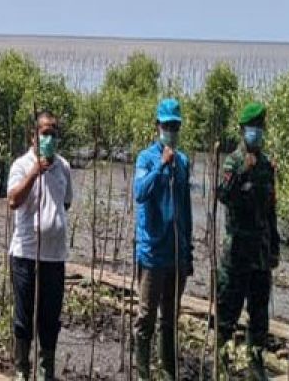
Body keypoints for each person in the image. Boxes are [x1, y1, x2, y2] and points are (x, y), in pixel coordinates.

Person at [216, 101, 280, 381]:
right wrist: (242, 170)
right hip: (237, 254)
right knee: (227, 311)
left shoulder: (267, 166)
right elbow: (223, 195)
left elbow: (271, 212)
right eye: (252, 128)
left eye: (260, 128)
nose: (257, 132)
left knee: (259, 314)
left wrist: (275, 248)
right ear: (243, 131)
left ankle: (256, 364)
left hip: (261, 255)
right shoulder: (233, 161)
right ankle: (222, 362)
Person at [6, 111, 72, 381]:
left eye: (53, 133)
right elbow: (13, 200)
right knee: (24, 319)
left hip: (55, 257)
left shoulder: (64, 167)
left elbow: (65, 202)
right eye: (44, 133)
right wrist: (35, 172)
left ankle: (46, 372)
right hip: (26, 255)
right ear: (33, 136)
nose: (49, 138)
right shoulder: (21, 165)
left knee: (50, 320)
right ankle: (21, 371)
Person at [132, 98, 193, 381]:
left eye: (175, 126)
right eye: (167, 125)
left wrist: (188, 253)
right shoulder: (146, 159)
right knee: (146, 317)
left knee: (169, 319)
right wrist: (160, 166)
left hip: (176, 254)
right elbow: (140, 192)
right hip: (152, 253)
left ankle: (168, 372)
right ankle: (143, 373)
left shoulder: (183, 162)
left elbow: (186, 209)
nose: (171, 130)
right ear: (157, 126)